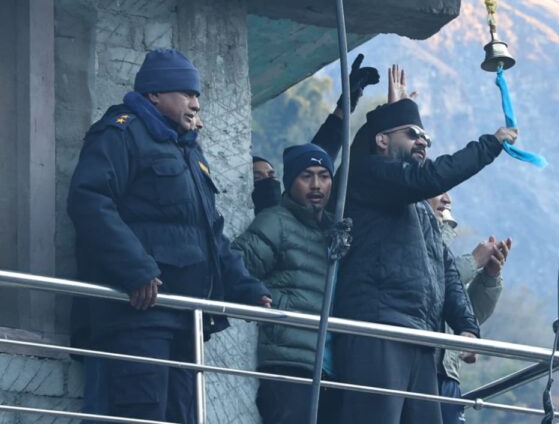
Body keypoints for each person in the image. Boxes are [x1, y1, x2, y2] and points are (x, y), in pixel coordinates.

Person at [67, 48, 272, 424]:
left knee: (183, 415)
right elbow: (89, 201)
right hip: (138, 317)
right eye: (187, 93)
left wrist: (247, 288)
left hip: (186, 320)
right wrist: (136, 269)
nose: (196, 104)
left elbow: (210, 233)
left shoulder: (189, 151)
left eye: (197, 95)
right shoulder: (120, 133)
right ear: (154, 94)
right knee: (139, 414)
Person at [332, 65, 520, 424]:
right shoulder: (365, 175)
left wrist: (466, 326)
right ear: (381, 140)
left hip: (422, 338)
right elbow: (427, 176)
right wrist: (490, 145)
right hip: (378, 328)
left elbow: (445, 270)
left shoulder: (419, 208)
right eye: (413, 133)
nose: (423, 142)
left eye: (427, 139)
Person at [232, 143, 339, 424]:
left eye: (324, 176)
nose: (316, 185)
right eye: (306, 176)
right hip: (288, 365)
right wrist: (255, 294)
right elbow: (235, 265)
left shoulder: (335, 230)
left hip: (331, 368)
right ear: (290, 181)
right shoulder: (275, 221)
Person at [250, 53, 379, 216]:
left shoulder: (297, 214)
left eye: (271, 175)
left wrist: (347, 101)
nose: (268, 182)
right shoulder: (257, 228)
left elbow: (322, 149)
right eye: (257, 178)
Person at [428, 192, 509, 424]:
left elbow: (470, 313)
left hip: (447, 374)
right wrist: (473, 261)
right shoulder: (408, 239)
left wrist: (489, 278)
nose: (447, 199)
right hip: (421, 368)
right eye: (440, 189)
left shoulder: (444, 248)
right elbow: (430, 281)